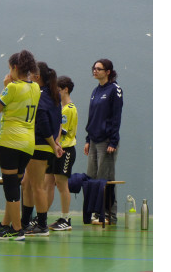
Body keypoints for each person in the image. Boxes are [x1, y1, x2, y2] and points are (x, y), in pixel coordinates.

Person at [0, 50, 40, 241]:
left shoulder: (12, 88)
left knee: (10, 186)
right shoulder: (35, 87)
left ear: (15, 68)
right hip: (28, 142)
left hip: (10, 141)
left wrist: (6, 86)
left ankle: (17, 228)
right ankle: (5, 223)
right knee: (14, 184)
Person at [21, 61, 63, 237]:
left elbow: (44, 123)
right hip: (43, 144)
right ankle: (25, 221)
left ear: (37, 77)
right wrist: (55, 142)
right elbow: (59, 121)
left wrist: (53, 144)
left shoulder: (40, 95)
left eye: (30, 75)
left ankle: (42, 224)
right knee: (26, 184)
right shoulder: (52, 94)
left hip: (40, 144)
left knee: (37, 186)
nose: (28, 78)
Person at [84, 59, 123, 225]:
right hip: (93, 140)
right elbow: (92, 116)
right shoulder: (95, 90)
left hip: (106, 141)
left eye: (99, 69)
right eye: (94, 68)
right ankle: (97, 212)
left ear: (108, 71)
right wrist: (87, 139)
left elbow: (116, 117)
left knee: (105, 179)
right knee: (92, 178)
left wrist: (113, 141)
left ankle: (109, 215)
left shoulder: (115, 90)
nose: (95, 71)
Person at [45, 76, 78, 231]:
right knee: (48, 183)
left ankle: (65, 218)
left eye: (58, 90)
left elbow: (61, 131)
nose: (56, 93)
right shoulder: (59, 108)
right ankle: (41, 216)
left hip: (65, 150)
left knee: (61, 184)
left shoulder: (69, 109)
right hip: (54, 151)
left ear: (65, 89)